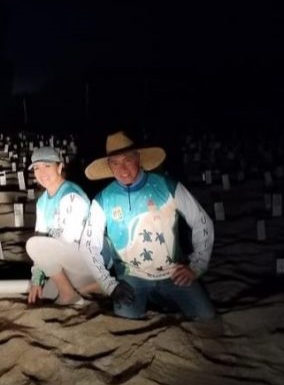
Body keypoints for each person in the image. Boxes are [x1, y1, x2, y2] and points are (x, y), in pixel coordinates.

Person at [81, 131, 216, 321]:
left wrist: (197, 265)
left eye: (127, 160)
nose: (123, 169)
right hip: (131, 278)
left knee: (206, 316)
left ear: (139, 158)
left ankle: (164, 298)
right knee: (126, 320)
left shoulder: (167, 186)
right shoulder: (103, 199)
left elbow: (202, 222)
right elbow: (87, 246)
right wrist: (110, 286)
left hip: (173, 273)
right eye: (115, 163)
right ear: (109, 166)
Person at [25, 146, 101, 305]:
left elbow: (65, 242)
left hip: (86, 259)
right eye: (37, 168)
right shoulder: (43, 201)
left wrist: (49, 270)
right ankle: (89, 289)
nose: (42, 173)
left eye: (47, 166)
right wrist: (37, 279)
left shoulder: (71, 195)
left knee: (34, 244)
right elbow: (42, 236)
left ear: (59, 167)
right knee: (46, 293)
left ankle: (72, 293)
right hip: (66, 259)